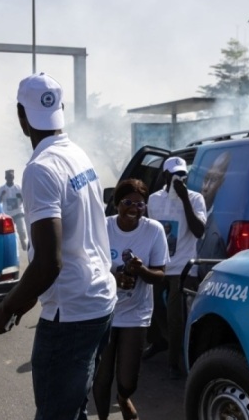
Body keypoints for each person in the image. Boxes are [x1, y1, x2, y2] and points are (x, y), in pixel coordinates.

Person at [0, 72, 117, 420]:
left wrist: (8, 306)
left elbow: (49, 263)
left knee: (56, 414)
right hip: (99, 300)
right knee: (73, 407)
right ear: (60, 108)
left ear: (21, 116)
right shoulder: (76, 153)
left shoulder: (41, 169)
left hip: (71, 315)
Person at [92, 179, 168, 420]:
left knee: (128, 380)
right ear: (117, 204)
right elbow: (90, 268)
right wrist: (115, 277)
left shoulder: (153, 230)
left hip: (136, 313)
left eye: (140, 204)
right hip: (103, 311)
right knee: (101, 378)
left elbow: (159, 275)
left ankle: (123, 398)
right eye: (127, 202)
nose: (134, 208)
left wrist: (141, 271)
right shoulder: (102, 227)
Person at [145, 156, 205, 379]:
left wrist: (185, 200)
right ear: (165, 177)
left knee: (175, 315)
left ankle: (174, 362)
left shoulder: (196, 198)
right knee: (151, 308)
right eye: (175, 176)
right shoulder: (154, 200)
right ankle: (162, 341)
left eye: (183, 176)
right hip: (160, 264)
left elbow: (199, 231)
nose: (180, 180)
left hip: (183, 268)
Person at [197, 151, 231, 267]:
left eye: (214, 180)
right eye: (206, 179)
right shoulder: (189, 211)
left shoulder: (219, 228)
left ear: (223, 184)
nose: (205, 188)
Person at [0, 169, 29, 250]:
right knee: (9, 233)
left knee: (22, 231)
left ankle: (23, 244)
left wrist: (21, 197)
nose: (10, 179)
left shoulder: (18, 187)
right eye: (8, 177)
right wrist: (1, 195)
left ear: (13, 177)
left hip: (18, 212)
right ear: (5, 178)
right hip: (8, 214)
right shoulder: (1, 189)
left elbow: (25, 200)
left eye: (11, 177)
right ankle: (11, 248)